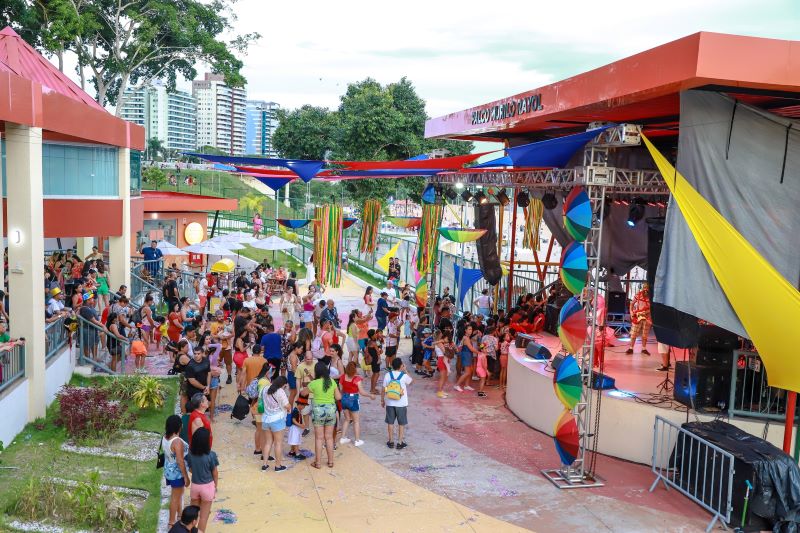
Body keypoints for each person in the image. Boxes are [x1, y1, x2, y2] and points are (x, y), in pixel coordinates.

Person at [303, 361, 341, 469]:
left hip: (318, 411)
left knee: (319, 438)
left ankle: (318, 463)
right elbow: (338, 397)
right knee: (329, 438)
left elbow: (303, 393)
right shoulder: (332, 382)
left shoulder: (314, 383)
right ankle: (330, 462)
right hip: (330, 411)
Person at [187, 427, 218, 533]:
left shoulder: (190, 454)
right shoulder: (211, 455)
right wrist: (215, 486)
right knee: (204, 517)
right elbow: (215, 473)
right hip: (208, 487)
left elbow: (190, 469)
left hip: (195, 486)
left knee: (192, 516)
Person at [162, 415, 190, 529]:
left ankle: (179, 516)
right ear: (179, 426)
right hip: (177, 473)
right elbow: (180, 461)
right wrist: (186, 477)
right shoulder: (177, 441)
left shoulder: (165, 437)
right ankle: (171, 523)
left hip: (168, 470)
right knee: (175, 497)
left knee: (178, 494)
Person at [339, 361, 375, 446]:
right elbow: (362, 392)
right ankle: (357, 440)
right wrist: (370, 395)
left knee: (347, 419)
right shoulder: (357, 379)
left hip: (344, 398)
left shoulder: (342, 377)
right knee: (356, 421)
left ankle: (343, 438)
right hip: (353, 399)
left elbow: (341, 389)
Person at [261, 376, 290, 472]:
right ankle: (278, 466)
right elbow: (287, 405)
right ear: (282, 384)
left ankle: (264, 465)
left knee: (268, 442)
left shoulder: (265, 389)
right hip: (277, 420)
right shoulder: (280, 392)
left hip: (266, 419)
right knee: (278, 443)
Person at [382, 358, 413, 449]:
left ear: (392, 366)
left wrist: (382, 400)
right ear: (400, 366)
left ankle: (391, 441)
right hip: (401, 403)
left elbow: (384, 389)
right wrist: (405, 370)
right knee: (401, 423)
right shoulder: (403, 376)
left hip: (390, 402)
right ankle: (399, 442)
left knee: (390, 422)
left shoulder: (388, 375)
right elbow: (411, 382)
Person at [627, 283, 652, 355]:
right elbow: (631, 304)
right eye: (644, 287)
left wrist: (647, 312)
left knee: (645, 334)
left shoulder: (651, 297)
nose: (645, 289)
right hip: (637, 317)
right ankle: (631, 348)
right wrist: (631, 312)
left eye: (647, 288)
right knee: (633, 333)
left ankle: (644, 349)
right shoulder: (638, 295)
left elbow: (653, 308)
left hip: (647, 317)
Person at [454, 324, 478, 392]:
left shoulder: (466, 337)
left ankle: (466, 385)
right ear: (465, 330)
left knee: (469, 371)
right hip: (466, 355)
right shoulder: (466, 338)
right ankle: (457, 385)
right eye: (469, 329)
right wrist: (479, 352)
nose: (471, 331)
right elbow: (471, 348)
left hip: (468, 355)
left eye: (471, 329)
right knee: (467, 372)